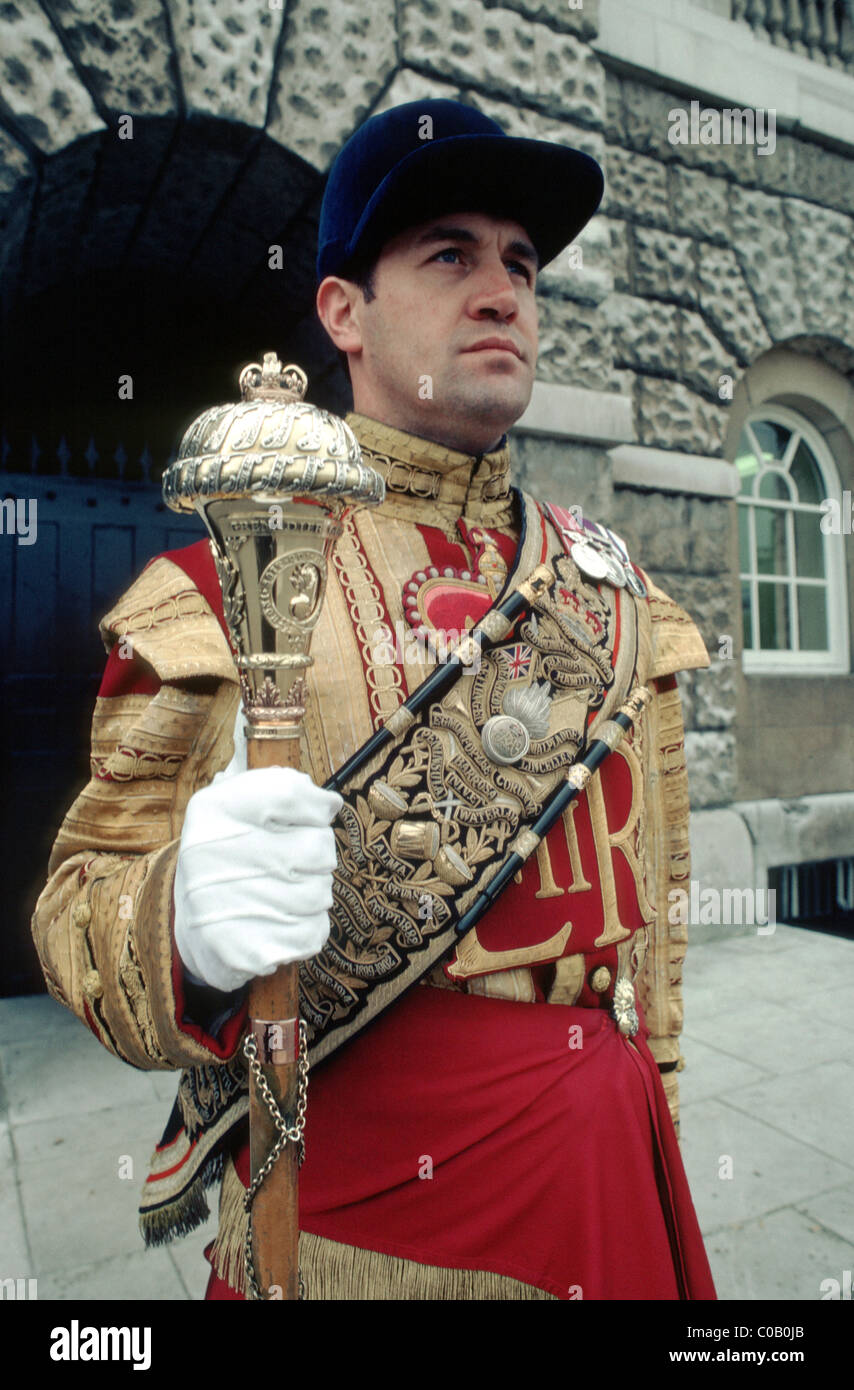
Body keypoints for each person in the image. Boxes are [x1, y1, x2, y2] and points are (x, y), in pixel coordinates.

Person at [32, 99, 716, 1300]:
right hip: (366, 1229)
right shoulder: (222, 583)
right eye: (448, 253)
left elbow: (650, 924)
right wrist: (181, 920)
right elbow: (75, 913)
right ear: (343, 311)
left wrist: (654, 1110)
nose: (502, 290)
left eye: (518, 261)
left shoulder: (614, 588)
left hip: (613, 1182)